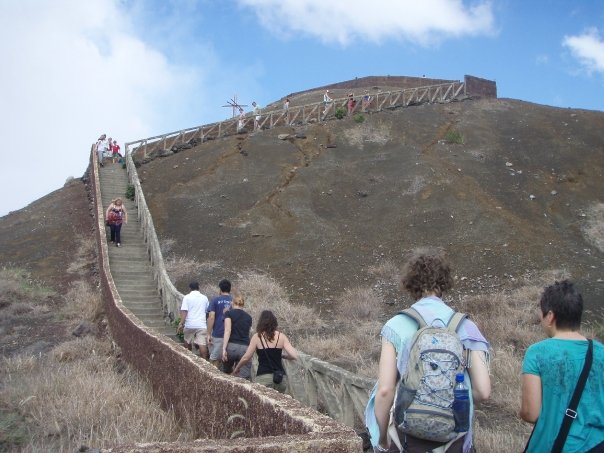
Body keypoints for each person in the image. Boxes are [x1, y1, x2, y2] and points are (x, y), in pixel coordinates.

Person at [366, 249, 491, 453]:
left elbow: (385, 390)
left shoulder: (396, 325)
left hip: (406, 438)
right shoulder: (467, 327)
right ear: (444, 282)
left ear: (410, 283)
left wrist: (382, 438)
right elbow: (483, 391)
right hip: (454, 441)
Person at [520, 280, 604, 452]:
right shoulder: (601, 351)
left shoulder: (537, 353)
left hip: (554, 446)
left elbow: (531, 413)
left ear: (550, 316)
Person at [232, 310, 298, 393]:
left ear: (261, 322)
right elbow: (294, 355)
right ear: (274, 322)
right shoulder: (281, 336)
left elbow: (246, 357)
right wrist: (284, 356)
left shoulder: (257, 337)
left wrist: (237, 368)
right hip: (280, 378)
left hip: (263, 377)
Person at [221, 294, 253, 379]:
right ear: (243, 304)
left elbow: (228, 330)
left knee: (226, 373)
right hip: (244, 347)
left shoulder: (228, 313)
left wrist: (224, 349)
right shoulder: (249, 317)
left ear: (232, 303)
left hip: (231, 346)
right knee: (243, 377)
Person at [177, 281, 210, 359]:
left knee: (187, 341)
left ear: (190, 288)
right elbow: (208, 311)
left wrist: (181, 323)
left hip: (190, 324)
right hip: (201, 324)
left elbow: (184, 311)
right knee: (202, 343)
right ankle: (204, 361)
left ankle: (188, 359)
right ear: (199, 287)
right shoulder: (204, 298)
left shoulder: (187, 297)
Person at [207, 279, 233, 368]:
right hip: (232, 335)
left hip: (218, 333)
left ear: (220, 289)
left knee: (214, 360)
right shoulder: (234, 301)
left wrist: (208, 333)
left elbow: (211, 317)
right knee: (229, 363)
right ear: (230, 289)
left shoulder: (215, 300)